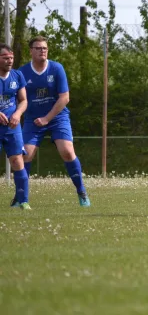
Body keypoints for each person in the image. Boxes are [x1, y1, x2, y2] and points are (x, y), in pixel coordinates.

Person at [18, 36, 90, 207]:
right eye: (38, 48)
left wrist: (47, 118)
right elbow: (19, 98)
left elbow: (64, 98)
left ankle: (82, 192)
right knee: (25, 155)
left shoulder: (57, 68)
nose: (42, 50)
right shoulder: (22, 72)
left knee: (67, 151)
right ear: (31, 51)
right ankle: (22, 199)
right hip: (32, 119)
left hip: (57, 117)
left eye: (44, 48)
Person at [0, 44, 31, 210]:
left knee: (18, 160)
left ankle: (23, 200)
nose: (9, 60)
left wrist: (17, 114)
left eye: (11, 58)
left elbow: (24, 100)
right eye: (5, 58)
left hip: (12, 127)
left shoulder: (17, 76)